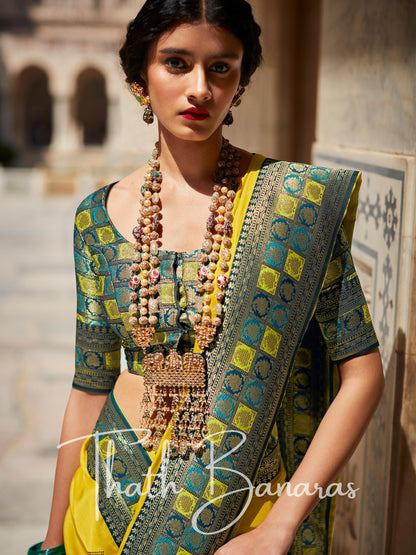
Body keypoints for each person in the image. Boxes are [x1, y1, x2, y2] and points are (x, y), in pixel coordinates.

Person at [28, 0, 384, 553]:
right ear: (139, 77)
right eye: (176, 63)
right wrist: (52, 540)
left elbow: (363, 376)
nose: (200, 88)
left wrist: (280, 528)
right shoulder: (96, 221)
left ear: (240, 85)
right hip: (105, 511)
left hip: (244, 518)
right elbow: (89, 387)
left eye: (221, 67)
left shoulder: (293, 206)